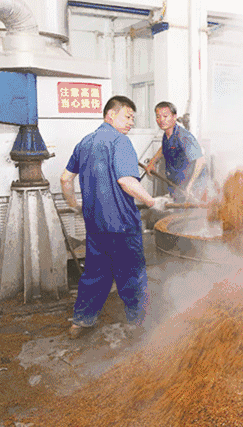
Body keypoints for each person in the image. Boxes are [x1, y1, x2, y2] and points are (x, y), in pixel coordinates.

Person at [61, 96, 169, 339]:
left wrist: (74, 206)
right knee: (131, 273)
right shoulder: (120, 142)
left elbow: (65, 179)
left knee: (95, 273)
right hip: (122, 224)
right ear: (110, 115)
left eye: (133, 118)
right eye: (127, 116)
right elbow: (126, 180)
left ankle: (81, 322)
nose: (131, 122)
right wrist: (152, 202)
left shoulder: (85, 143)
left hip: (95, 226)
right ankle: (137, 323)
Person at [144, 101, 209, 203]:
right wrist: (152, 162)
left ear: (174, 117)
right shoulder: (167, 134)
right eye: (158, 116)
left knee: (191, 215)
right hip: (178, 184)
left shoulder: (183, 137)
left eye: (165, 116)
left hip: (194, 186)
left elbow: (201, 161)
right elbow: (164, 148)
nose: (161, 120)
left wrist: (189, 187)